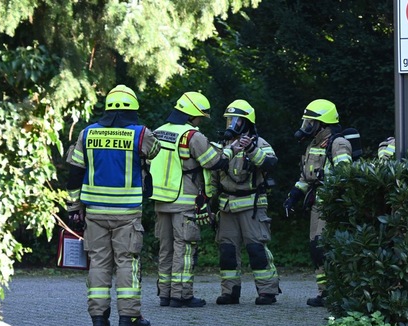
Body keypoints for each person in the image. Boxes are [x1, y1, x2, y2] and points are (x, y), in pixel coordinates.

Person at [65, 84, 161, 326]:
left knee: (98, 262)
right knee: (127, 262)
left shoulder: (87, 133)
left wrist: (74, 206)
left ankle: (98, 318)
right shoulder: (140, 134)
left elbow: (74, 172)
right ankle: (129, 318)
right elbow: (155, 151)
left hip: (94, 212)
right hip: (127, 213)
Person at [149, 92, 228, 308]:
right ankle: (181, 295)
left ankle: (165, 294)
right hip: (183, 200)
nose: (201, 121)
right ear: (193, 115)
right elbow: (213, 162)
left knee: (165, 249)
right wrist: (227, 152)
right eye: (200, 116)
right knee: (184, 249)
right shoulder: (192, 136)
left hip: (160, 199)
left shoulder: (158, 131)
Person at [209, 99, 280, 305]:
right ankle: (230, 292)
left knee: (257, 249)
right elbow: (213, 174)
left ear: (247, 122)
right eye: (229, 119)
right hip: (227, 206)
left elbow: (270, 164)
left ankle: (267, 291)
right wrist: (207, 203)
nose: (232, 123)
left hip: (252, 206)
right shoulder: (221, 146)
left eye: (237, 120)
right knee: (227, 252)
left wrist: (250, 150)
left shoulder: (260, 144)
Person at [283, 99, 352, 307]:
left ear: (322, 124)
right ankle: (324, 292)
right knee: (316, 249)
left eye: (310, 123)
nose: (306, 127)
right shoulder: (313, 145)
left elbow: (346, 176)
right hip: (317, 206)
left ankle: (337, 291)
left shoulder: (338, 144)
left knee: (325, 248)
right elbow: (306, 177)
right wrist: (294, 195)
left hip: (332, 206)